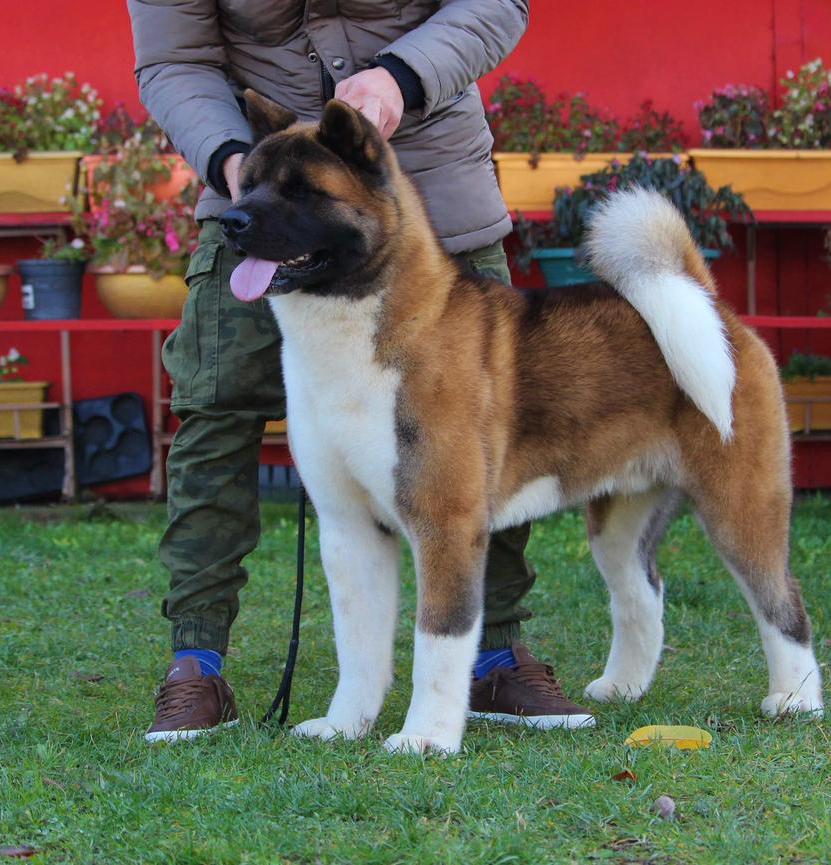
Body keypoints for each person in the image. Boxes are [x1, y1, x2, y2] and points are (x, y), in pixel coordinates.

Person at [127, 0, 594, 741]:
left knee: (486, 418)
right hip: (261, 184)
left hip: (431, 180)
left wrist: (400, 78)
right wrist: (235, 164)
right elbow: (173, 60)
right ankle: (197, 661)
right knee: (215, 402)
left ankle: (494, 656)